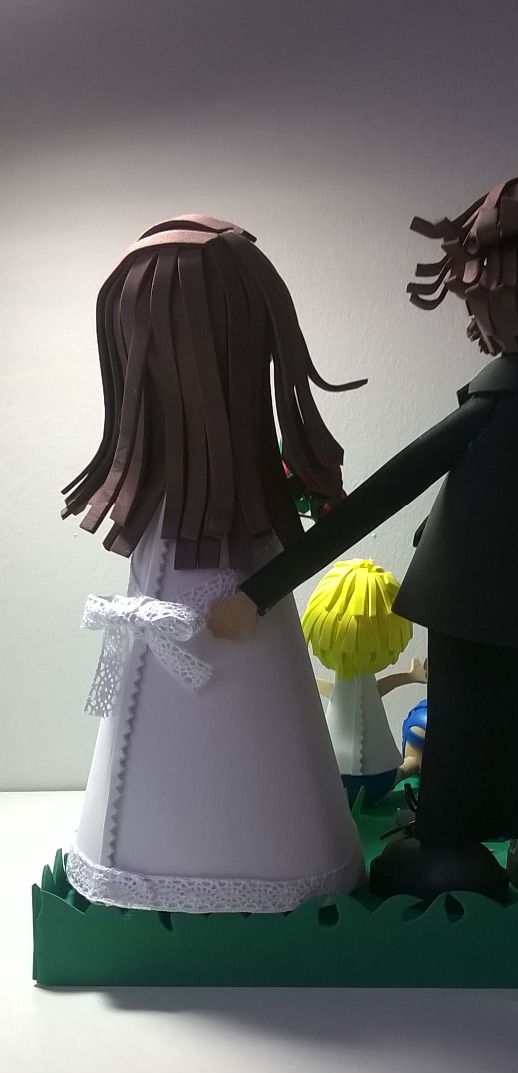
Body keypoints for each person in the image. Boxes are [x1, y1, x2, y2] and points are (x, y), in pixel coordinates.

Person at [207, 175, 518, 903]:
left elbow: (383, 491)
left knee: (473, 711)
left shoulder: (509, 407)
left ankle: (450, 843)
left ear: (479, 299)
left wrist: (258, 591)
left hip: (470, 593)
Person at [62, 214, 366, 912]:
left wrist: (254, 596)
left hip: (238, 639)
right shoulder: (157, 502)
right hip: (179, 616)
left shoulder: (253, 496)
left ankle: (262, 868)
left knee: (249, 746)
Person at [302, 558, 426, 804]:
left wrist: (411, 676)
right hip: (336, 770)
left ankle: (410, 765)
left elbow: (379, 688)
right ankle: (409, 765)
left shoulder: (363, 688)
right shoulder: (344, 690)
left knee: (384, 775)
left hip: (376, 770)